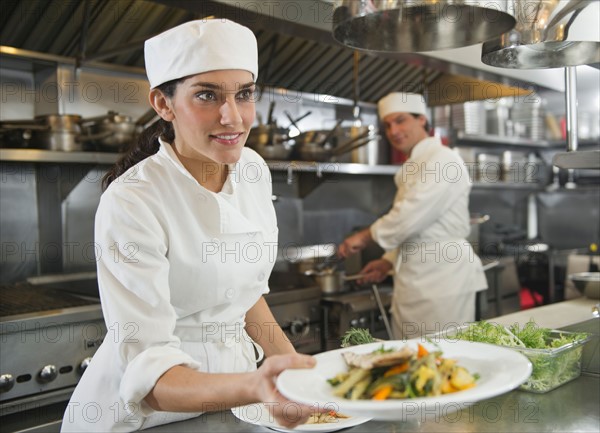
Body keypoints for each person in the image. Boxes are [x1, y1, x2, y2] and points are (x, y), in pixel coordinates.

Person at [61, 19, 317, 432]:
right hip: (145, 417)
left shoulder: (253, 169)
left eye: (244, 94)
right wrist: (256, 386)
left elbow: (245, 294)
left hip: (231, 408)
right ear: (163, 104)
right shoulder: (133, 200)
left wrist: (300, 376)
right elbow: (151, 381)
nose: (232, 117)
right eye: (206, 95)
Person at [338, 92, 487, 340]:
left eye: (400, 120)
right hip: (416, 281)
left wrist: (365, 236)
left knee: (442, 360)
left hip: (443, 282)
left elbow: (411, 214)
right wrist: (388, 260)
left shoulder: (443, 160)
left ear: (422, 120)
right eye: (387, 125)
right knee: (412, 362)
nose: (394, 131)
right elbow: (420, 228)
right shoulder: (416, 164)